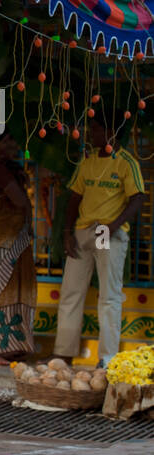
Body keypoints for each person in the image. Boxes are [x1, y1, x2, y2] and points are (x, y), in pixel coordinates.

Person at [54, 116, 146, 366]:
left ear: (112, 132)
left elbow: (137, 198)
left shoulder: (127, 163)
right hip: (84, 231)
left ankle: (107, 358)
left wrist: (113, 226)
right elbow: (74, 197)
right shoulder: (88, 161)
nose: (91, 134)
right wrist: (67, 232)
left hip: (109, 234)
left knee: (109, 296)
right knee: (71, 292)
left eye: (96, 129)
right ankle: (63, 355)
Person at [0, 129, 36, 364]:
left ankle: (9, 346)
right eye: (8, 139)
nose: (13, 143)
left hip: (4, 239)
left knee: (11, 290)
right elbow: (20, 200)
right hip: (3, 240)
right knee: (2, 292)